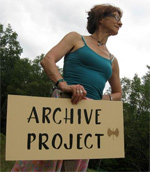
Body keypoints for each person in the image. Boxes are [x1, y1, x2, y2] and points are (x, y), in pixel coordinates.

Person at [11, 3, 123, 172]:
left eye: (120, 20)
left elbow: (118, 93)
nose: (120, 23)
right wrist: (63, 85)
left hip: (89, 116)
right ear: (101, 19)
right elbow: (48, 60)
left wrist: (103, 99)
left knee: (74, 166)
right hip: (63, 105)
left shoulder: (112, 60)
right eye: (116, 17)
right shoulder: (76, 38)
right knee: (43, 158)